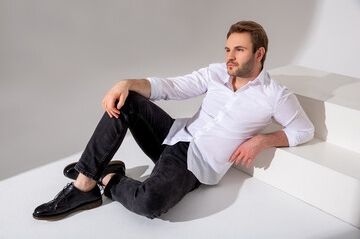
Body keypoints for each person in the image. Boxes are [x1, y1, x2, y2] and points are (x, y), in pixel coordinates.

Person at [33, 20, 314, 220]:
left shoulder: (275, 95)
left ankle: (105, 176)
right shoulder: (217, 73)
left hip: (195, 164)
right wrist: (125, 82)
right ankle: (84, 186)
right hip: (173, 136)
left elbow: (304, 130)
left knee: (149, 202)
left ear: (259, 53)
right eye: (228, 49)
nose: (230, 57)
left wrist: (263, 140)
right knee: (127, 99)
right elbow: (173, 87)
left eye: (238, 50)